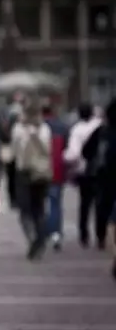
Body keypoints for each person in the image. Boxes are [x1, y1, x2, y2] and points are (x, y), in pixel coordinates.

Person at [11, 99, 52, 260]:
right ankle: (39, 240)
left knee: (25, 211)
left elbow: (14, 151)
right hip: (41, 173)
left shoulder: (19, 129)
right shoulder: (44, 128)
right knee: (39, 210)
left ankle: (34, 238)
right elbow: (48, 150)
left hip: (25, 173)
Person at [64, 103, 102, 248]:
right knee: (100, 203)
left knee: (85, 204)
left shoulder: (77, 129)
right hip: (101, 171)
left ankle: (84, 234)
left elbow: (73, 153)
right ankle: (101, 234)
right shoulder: (99, 126)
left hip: (84, 171)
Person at [82, 98, 116, 251]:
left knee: (102, 207)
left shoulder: (103, 131)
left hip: (104, 176)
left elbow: (86, 151)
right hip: (105, 177)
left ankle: (102, 237)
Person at [42, 105, 68, 251]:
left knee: (41, 204)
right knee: (56, 204)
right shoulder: (62, 127)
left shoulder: (39, 128)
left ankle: (44, 231)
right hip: (58, 170)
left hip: (41, 171)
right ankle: (56, 233)